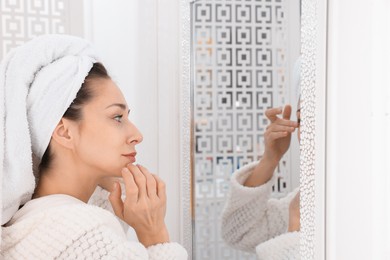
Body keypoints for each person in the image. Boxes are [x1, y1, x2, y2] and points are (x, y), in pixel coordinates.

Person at [0, 35, 187, 259]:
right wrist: (154, 233)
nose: (137, 135)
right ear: (64, 132)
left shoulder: (32, 220)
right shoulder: (82, 234)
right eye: (117, 117)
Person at [221, 103, 301, 259]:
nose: (307, 132)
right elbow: (238, 234)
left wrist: (295, 226)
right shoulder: (301, 200)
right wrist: (271, 158)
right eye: (302, 120)